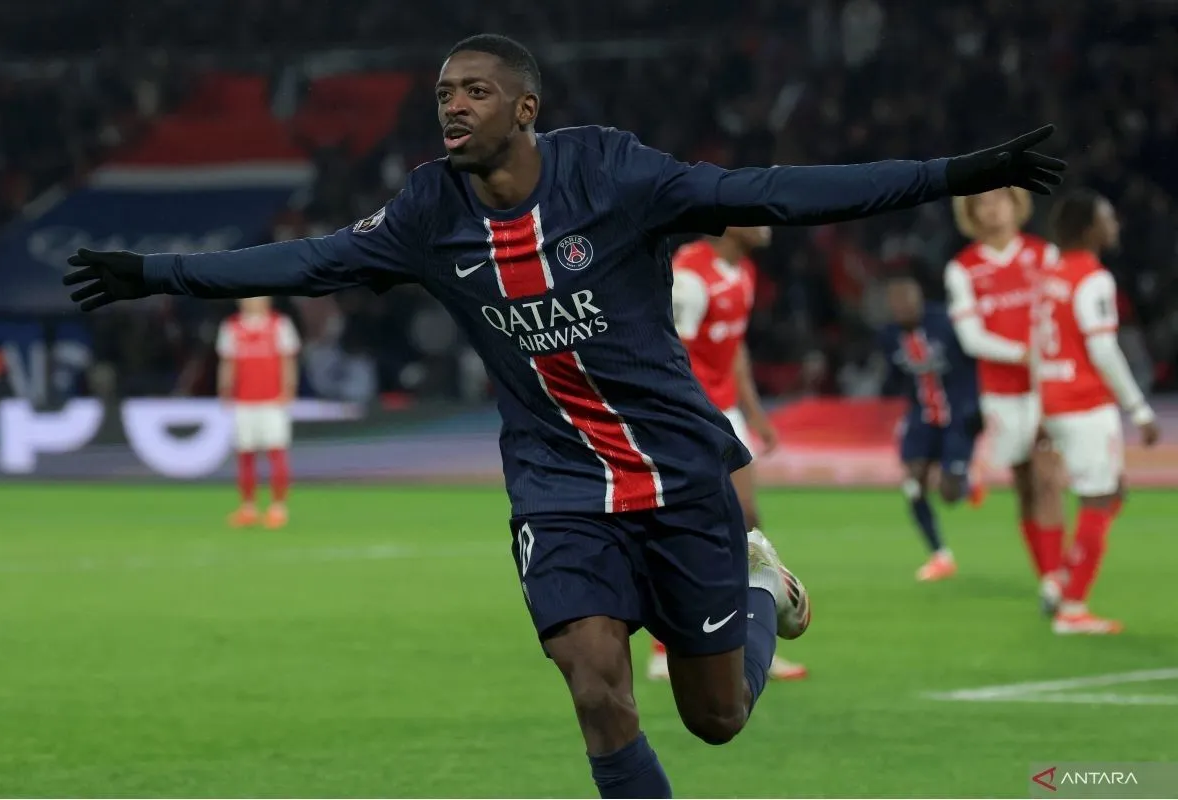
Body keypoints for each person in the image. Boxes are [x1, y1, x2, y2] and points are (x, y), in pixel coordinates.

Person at [62, 34, 1064, 799]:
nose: (452, 107)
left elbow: (773, 192)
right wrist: (154, 273)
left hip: (678, 473)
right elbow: (311, 258)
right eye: (444, 93)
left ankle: (761, 580)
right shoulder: (428, 212)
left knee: (715, 717)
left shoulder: (613, 174)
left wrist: (951, 176)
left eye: (475, 91)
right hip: (560, 480)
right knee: (594, 681)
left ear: (525, 107)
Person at [648, 227, 807, 683]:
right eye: (754, 215)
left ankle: (750, 638)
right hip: (689, 414)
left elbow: (734, 348)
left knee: (747, 520)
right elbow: (665, 353)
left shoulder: (744, 273)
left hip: (726, 412)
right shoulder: (691, 277)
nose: (767, 223)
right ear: (728, 222)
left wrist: (755, 415)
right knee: (690, 527)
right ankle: (667, 647)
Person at [1036, 190, 1159, 635]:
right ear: (1088, 229)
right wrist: (1139, 409)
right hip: (1085, 403)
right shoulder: (1093, 278)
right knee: (1100, 497)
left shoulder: (1052, 276)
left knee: (1112, 492)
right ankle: (1072, 607)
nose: (1116, 225)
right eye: (1108, 217)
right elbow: (1103, 350)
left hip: (1056, 400)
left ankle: (1065, 580)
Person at [944, 189, 1068, 609]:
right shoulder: (963, 269)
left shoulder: (1044, 255)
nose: (993, 207)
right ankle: (1048, 572)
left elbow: (1061, 317)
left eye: (1001, 199)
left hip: (1045, 389)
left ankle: (1055, 581)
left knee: (1048, 475)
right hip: (1000, 396)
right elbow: (970, 337)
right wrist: (1020, 352)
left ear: (1018, 205)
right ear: (971, 212)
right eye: (982, 202)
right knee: (1026, 487)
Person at [881, 275, 981, 580]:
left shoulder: (947, 324)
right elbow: (895, 378)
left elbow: (975, 360)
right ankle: (940, 555)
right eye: (896, 303)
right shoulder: (888, 336)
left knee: (950, 495)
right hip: (921, 418)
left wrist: (978, 409)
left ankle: (966, 481)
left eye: (907, 301)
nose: (902, 308)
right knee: (913, 484)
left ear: (920, 300)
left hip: (958, 416)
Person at [215, 296, 300, 529]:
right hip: (244, 401)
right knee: (245, 455)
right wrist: (224, 388)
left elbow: (287, 360)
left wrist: (289, 388)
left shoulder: (279, 324)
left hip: (272, 400)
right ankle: (248, 508)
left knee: (277, 452)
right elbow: (227, 361)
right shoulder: (231, 326)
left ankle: (278, 507)